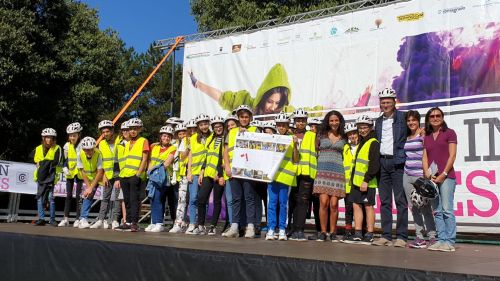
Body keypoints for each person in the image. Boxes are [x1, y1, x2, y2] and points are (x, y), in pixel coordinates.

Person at [372, 88, 408, 248]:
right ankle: (386, 235)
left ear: (394, 102)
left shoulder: (403, 117)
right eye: (383, 102)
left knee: (400, 201)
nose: (385, 105)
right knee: (385, 201)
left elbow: (412, 132)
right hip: (382, 163)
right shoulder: (378, 122)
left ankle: (401, 236)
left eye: (388, 102)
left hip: (398, 162)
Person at [423, 107, 457, 252]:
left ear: (442, 117)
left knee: (447, 210)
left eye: (438, 116)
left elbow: (452, 155)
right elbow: (424, 157)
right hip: (432, 178)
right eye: (432, 116)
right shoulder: (427, 136)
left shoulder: (449, 133)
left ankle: (450, 242)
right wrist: (428, 174)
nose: (435, 118)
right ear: (428, 119)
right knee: (436, 211)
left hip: (447, 176)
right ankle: (441, 239)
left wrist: (444, 173)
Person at [222, 105, 259, 238]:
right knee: (236, 199)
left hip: (248, 170)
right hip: (234, 170)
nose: (244, 119)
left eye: (246, 117)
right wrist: (227, 166)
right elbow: (226, 151)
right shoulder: (232, 132)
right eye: (242, 117)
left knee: (249, 198)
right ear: (238, 118)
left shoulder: (255, 130)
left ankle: (250, 227)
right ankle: (235, 227)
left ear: (250, 118)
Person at [402, 110, 437, 249]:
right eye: (409, 120)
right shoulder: (406, 136)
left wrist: (426, 173)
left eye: (413, 120)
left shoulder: (424, 135)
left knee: (425, 207)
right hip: (407, 175)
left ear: (418, 121)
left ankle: (433, 237)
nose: (411, 123)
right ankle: (420, 237)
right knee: (413, 207)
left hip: (420, 176)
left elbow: (427, 154)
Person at [344, 115, 379, 245]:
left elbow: (374, 164)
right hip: (355, 182)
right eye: (360, 128)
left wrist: (366, 180)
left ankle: (369, 233)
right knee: (356, 205)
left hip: (367, 182)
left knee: (368, 207)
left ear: (370, 128)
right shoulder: (362, 142)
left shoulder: (373, 142)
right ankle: (358, 232)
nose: (362, 130)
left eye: (365, 128)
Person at [313, 110, 346, 242]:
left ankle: (333, 232)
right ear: (328, 121)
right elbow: (315, 151)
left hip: (337, 172)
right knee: (323, 202)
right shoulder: (320, 135)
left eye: (336, 120)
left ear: (340, 121)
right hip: (322, 172)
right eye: (331, 120)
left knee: (333, 204)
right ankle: (323, 232)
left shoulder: (344, 136)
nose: (334, 123)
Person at [265, 112, 298, 241]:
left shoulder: (292, 139)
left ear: (287, 126)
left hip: (285, 177)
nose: (281, 127)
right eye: (279, 125)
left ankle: (282, 229)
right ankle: (271, 229)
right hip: (272, 176)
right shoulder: (272, 137)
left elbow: (296, 159)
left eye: (284, 125)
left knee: (283, 203)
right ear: (276, 126)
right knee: (272, 203)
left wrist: (295, 145)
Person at [289, 108, 318, 241]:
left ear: (306, 121)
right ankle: (291, 228)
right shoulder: (289, 135)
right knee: (291, 202)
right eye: (298, 120)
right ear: (294, 121)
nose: (300, 123)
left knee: (303, 202)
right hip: (292, 173)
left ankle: (299, 230)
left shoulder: (312, 135)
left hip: (307, 173)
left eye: (302, 120)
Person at [116, 118, 149, 232]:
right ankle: (128, 222)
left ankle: (134, 222)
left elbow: (144, 159)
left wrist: (138, 174)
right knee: (127, 200)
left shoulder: (143, 141)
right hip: (124, 175)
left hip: (135, 175)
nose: (132, 131)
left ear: (139, 129)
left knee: (134, 200)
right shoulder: (127, 143)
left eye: (135, 129)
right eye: (130, 129)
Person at [195, 116, 226, 235]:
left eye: (220, 126)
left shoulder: (225, 139)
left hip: (218, 175)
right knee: (201, 198)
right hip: (208, 173)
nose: (218, 128)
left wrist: (220, 173)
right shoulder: (210, 139)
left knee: (217, 200)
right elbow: (207, 156)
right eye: (215, 127)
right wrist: (202, 171)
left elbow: (222, 158)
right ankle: (201, 225)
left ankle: (213, 226)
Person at [90, 120, 122, 229]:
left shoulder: (120, 140)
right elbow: (101, 161)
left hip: (120, 175)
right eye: (103, 132)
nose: (105, 134)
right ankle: (100, 220)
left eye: (107, 131)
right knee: (105, 198)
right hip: (107, 175)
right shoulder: (102, 144)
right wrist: (103, 175)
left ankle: (115, 221)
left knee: (118, 198)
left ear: (112, 130)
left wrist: (119, 177)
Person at [145, 126, 176, 232]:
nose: (166, 138)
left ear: (171, 138)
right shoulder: (154, 147)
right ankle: (153, 222)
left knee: (158, 198)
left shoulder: (173, 148)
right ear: (160, 136)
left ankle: (159, 223)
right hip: (152, 176)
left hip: (163, 177)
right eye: (164, 136)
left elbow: (167, 163)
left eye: (168, 136)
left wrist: (153, 171)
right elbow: (150, 161)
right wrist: (149, 172)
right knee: (152, 199)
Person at [185, 114, 212, 234]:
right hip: (194, 172)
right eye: (201, 124)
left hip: (206, 172)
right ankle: (192, 223)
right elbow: (190, 155)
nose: (204, 126)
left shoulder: (212, 137)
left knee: (203, 199)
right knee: (193, 198)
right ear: (198, 126)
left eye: (206, 124)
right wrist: (189, 171)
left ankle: (201, 224)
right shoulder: (193, 138)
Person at [32, 128, 62, 226]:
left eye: (50, 138)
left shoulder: (57, 148)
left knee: (51, 198)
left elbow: (56, 162)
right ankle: (41, 218)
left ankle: (52, 219)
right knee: (40, 198)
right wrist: (46, 162)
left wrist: (42, 163)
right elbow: (34, 159)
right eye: (46, 137)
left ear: (53, 139)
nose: (48, 140)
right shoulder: (38, 148)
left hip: (51, 177)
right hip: (40, 177)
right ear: (43, 138)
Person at [59, 122, 83, 227]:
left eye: (74, 135)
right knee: (68, 196)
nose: (72, 137)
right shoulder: (66, 146)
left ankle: (78, 219)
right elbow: (65, 159)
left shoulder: (83, 145)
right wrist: (64, 167)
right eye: (70, 135)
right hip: (70, 173)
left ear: (78, 135)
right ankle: (66, 218)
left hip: (80, 173)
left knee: (78, 196)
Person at [76, 137, 104, 229]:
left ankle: (105, 220)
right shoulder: (80, 154)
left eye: (91, 149)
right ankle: (83, 219)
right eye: (86, 150)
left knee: (107, 196)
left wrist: (91, 187)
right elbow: (82, 171)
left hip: (98, 177)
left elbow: (100, 171)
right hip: (88, 178)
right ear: (83, 149)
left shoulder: (98, 154)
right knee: (88, 196)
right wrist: (89, 187)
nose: (89, 152)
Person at [169, 122, 191, 233]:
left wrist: (186, 146)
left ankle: (185, 223)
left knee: (188, 199)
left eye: (184, 133)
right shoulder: (176, 144)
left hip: (189, 173)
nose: (182, 136)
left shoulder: (188, 142)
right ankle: (178, 222)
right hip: (179, 175)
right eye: (180, 134)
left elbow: (184, 156)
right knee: (180, 200)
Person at [340, 123, 358, 242]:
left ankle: (360, 230)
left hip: (358, 183)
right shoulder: (345, 148)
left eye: (354, 133)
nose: (352, 136)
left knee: (359, 208)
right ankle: (348, 230)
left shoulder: (362, 146)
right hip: (347, 184)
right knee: (348, 209)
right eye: (349, 134)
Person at [221, 115, 239, 233]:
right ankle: (233, 225)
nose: (230, 127)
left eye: (232, 124)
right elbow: (224, 155)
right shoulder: (226, 137)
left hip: (239, 173)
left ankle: (238, 225)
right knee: (230, 200)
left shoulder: (242, 133)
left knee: (237, 200)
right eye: (228, 126)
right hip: (228, 173)